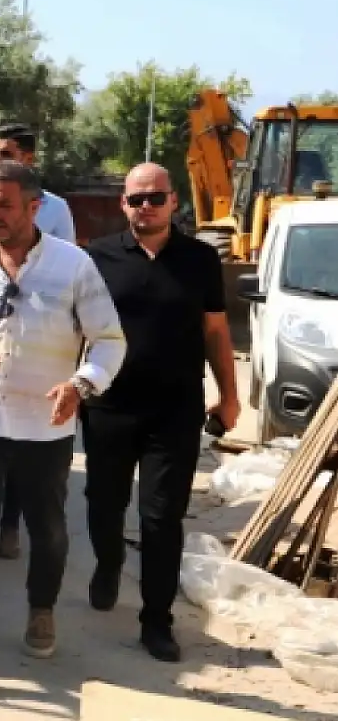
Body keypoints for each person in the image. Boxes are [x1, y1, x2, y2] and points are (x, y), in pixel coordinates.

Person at [0, 162, 125, 703]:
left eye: (5, 206)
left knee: (48, 530)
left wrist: (81, 384)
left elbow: (109, 339)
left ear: (34, 208)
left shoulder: (73, 266)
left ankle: (42, 608)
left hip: (46, 425)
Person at [83, 163, 240, 662]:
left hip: (174, 409)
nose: (144, 207)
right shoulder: (98, 258)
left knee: (161, 517)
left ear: (174, 201)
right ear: (122, 204)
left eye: (155, 198)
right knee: (103, 505)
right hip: (109, 406)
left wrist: (229, 395)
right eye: (135, 199)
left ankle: (157, 620)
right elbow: (75, 331)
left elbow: (215, 332)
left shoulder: (198, 260)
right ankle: (108, 563)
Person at [0, 124, 76, 559]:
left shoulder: (56, 209)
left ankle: (11, 523)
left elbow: (63, 266)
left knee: (23, 436)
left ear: (28, 159)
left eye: (4, 152)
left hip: (35, 327)